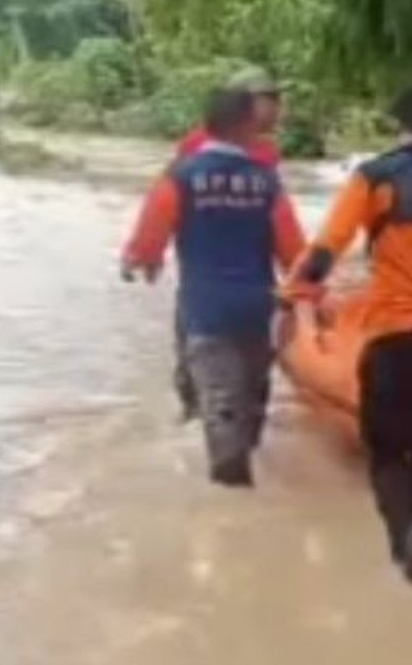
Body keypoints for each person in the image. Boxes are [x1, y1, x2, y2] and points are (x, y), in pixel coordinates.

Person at [283, 86, 412, 586]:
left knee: (385, 449)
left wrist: (294, 290)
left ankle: (403, 543)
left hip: (394, 334)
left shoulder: (375, 178)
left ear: (397, 124)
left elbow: (328, 245)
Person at [121, 88, 306, 487]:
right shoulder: (267, 182)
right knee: (252, 407)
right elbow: (294, 253)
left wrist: (139, 259)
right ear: (248, 125)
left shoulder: (181, 175)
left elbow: (150, 237)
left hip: (206, 313)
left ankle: (233, 517)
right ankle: (254, 504)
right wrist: (310, 300)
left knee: (221, 414)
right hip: (259, 311)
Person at [170, 66, 284, 422]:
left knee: (252, 365)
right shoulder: (195, 148)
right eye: (269, 101)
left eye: (277, 101)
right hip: (206, 274)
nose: (278, 109)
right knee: (198, 351)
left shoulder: (267, 154)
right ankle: (193, 408)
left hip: (252, 272)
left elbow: (276, 215)